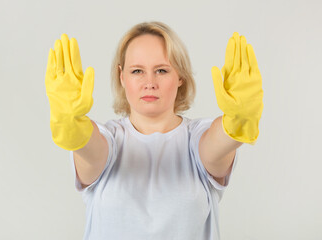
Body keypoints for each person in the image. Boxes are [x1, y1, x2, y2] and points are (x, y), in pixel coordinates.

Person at [45, 21, 263, 240]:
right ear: (122, 77)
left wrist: (237, 121)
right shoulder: (108, 139)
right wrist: (72, 125)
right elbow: (90, 149)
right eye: (137, 71)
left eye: (161, 70)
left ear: (180, 77)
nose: (149, 82)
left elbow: (218, 144)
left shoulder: (197, 138)